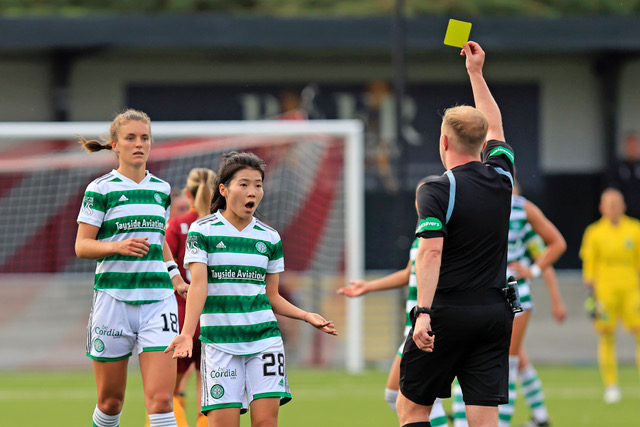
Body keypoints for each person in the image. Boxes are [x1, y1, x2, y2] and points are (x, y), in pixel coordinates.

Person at [165, 151, 338, 427]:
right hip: (220, 344)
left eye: (258, 185)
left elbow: (272, 296)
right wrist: (186, 334)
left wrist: (306, 316)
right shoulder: (202, 231)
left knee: (265, 423)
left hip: (265, 341)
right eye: (244, 184)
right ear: (224, 189)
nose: (253, 191)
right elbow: (199, 286)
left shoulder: (269, 237)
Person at [395, 41, 515, 427]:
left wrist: (423, 313)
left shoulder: (436, 188)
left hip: (447, 313)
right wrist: (476, 73)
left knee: (412, 410)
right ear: (483, 144)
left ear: (444, 142)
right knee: (483, 416)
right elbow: (495, 126)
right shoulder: (503, 177)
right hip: (494, 314)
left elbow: (430, 253)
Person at [75, 109, 189, 427]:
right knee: (110, 402)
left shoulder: (162, 190)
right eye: (130, 138)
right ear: (115, 145)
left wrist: (176, 276)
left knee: (162, 401)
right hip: (113, 301)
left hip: (158, 303)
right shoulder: (100, 189)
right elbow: (82, 246)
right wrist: (116, 246)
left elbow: (159, 240)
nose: (138, 144)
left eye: (144, 138)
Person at [451, 182, 567, 427]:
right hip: (489, 292)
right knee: (507, 360)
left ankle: (504, 420)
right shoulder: (494, 209)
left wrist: (535, 273)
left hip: (502, 292)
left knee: (505, 363)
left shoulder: (519, 214)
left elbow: (548, 253)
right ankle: (539, 415)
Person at [337, 176, 448, 427]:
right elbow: (409, 272)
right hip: (414, 327)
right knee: (396, 395)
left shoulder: (444, 236)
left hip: (429, 325)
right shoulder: (423, 234)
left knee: (421, 399)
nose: (421, 202)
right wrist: (369, 286)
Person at [157, 168, 216, 427]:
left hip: (181, 318)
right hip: (215, 318)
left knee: (168, 391)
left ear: (189, 194)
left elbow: (162, 264)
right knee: (211, 389)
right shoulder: (221, 227)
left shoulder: (177, 225)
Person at [580, 188, 640, 403]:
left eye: (617, 204)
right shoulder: (594, 232)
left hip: (631, 288)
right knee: (606, 335)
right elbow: (589, 264)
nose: (613, 208)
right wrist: (591, 295)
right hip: (605, 291)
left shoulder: (635, 229)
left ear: (624, 206)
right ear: (601, 208)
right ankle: (611, 385)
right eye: (609, 204)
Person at [606, 132, 640, 219]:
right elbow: (612, 191)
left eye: (634, 145)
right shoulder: (617, 167)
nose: (632, 148)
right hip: (624, 215)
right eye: (630, 145)